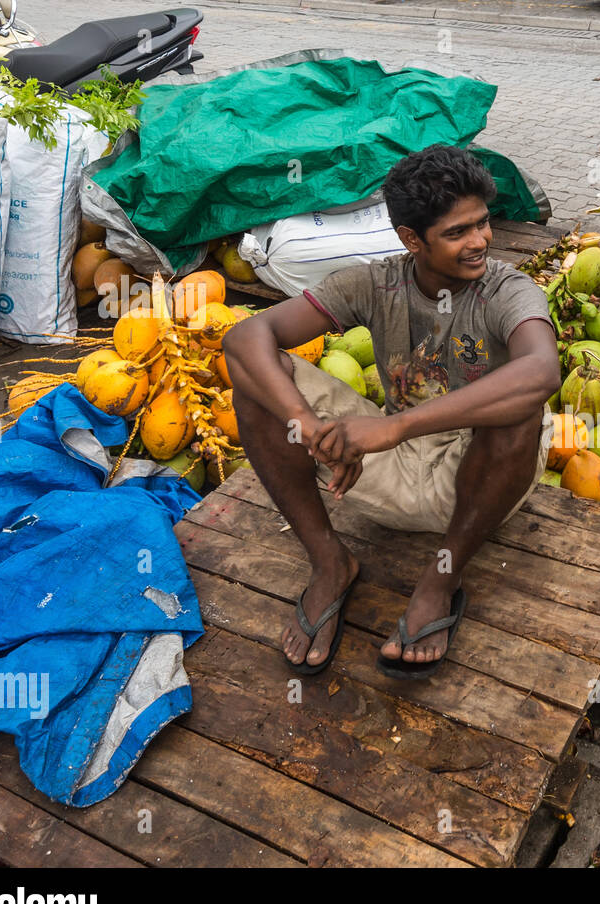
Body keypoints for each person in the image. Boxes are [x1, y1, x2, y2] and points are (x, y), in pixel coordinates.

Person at [222, 145, 560, 680]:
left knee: (521, 409)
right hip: (387, 471)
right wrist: (308, 427)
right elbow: (246, 337)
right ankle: (330, 564)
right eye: (457, 233)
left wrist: (392, 425)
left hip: (475, 483)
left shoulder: (506, 290)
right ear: (411, 239)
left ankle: (440, 581)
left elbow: (541, 372)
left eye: (483, 224)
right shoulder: (374, 283)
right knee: (258, 387)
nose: (480, 242)